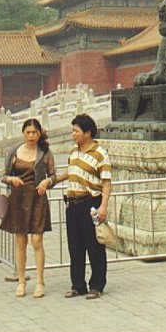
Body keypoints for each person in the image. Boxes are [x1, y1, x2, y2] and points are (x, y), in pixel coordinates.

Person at [38, 113, 111, 300]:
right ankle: (78, 285)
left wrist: (103, 206)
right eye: (72, 131)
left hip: (91, 204)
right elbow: (70, 172)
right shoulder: (74, 151)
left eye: (76, 131)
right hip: (73, 204)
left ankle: (97, 285)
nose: (73, 134)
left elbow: (106, 183)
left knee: (94, 246)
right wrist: (51, 181)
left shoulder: (100, 153)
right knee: (75, 247)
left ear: (88, 133)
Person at [0, 118, 56, 298]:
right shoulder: (14, 151)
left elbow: (53, 176)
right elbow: (4, 176)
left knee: (37, 241)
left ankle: (40, 281)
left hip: (37, 198)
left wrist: (47, 182)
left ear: (39, 134)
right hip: (18, 199)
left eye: (34, 133)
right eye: (28, 132)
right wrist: (11, 179)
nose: (31, 136)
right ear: (23, 133)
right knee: (20, 242)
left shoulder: (45, 152)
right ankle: (22, 281)